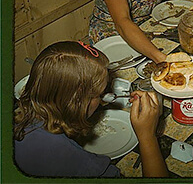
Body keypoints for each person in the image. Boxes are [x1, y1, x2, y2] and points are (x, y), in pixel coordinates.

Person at [14, 41, 168, 178]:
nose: (103, 100)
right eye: (99, 94)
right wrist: (147, 137)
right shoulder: (69, 159)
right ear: (77, 103)